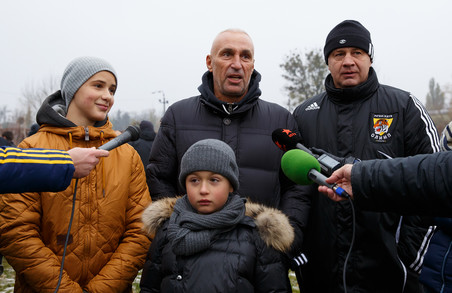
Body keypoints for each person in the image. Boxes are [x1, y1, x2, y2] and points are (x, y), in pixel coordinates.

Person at [292, 20, 440, 292]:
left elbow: (434, 184)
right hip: (322, 274)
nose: (348, 61)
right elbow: (295, 192)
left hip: (390, 274)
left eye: (357, 53)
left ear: (370, 58)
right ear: (328, 61)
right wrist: (300, 252)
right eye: (339, 54)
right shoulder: (303, 114)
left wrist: (406, 257)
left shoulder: (404, 106)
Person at [147, 28, 308, 262]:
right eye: (227, 54)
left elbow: (297, 188)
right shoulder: (177, 117)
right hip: (189, 258)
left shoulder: (281, 120)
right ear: (209, 62)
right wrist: (177, 230)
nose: (236, 63)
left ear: (253, 64)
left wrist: (286, 237)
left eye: (245, 56)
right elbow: (158, 178)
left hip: (260, 261)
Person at [0, 56, 151, 292]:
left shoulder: (128, 156)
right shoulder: (31, 148)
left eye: (112, 89)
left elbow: (141, 230)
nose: (108, 96)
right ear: (73, 89)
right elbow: (16, 231)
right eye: (98, 85)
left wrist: (103, 288)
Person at [140, 139, 293, 292]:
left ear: (231, 185)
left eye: (214, 180)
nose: (203, 189)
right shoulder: (167, 230)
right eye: (194, 180)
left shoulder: (256, 235)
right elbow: (150, 288)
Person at [320, 121, 452, 293]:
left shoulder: (406, 106)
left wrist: (408, 259)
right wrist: (360, 177)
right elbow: (429, 177)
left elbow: (434, 175)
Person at [1, 146, 109, 193]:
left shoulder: (124, 152)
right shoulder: (31, 145)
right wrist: (66, 162)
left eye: (113, 96)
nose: (107, 97)